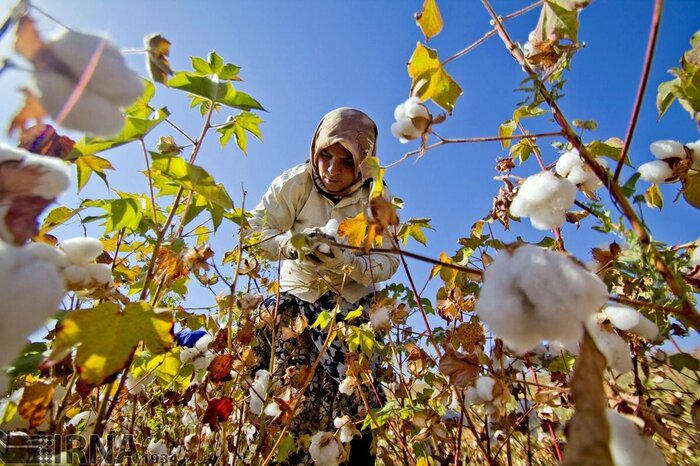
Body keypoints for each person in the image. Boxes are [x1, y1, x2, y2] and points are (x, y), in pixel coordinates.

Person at [248, 107, 400, 464]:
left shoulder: (377, 199)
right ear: (315, 147)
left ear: (363, 161)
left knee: (354, 416)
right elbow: (254, 232)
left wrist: (350, 264)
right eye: (326, 155)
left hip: (352, 315)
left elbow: (389, 260)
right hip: (297, 304)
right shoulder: (296, 183)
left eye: (346, 161)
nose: (332, 170)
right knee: (290, 408)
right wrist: (294, 245)